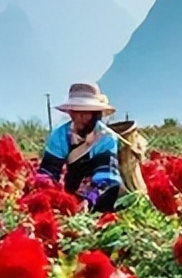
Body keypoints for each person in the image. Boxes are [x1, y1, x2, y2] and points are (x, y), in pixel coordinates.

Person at [36, 83, 124, 213]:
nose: (80, 118)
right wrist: (43, 192)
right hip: (72, 193)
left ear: (96, 114)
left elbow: (106, 177)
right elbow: (48, 172)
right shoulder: (60, 135)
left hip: (101, 196)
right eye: (76, 112)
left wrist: (89, 200)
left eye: (86, 113)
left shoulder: (106, 137)